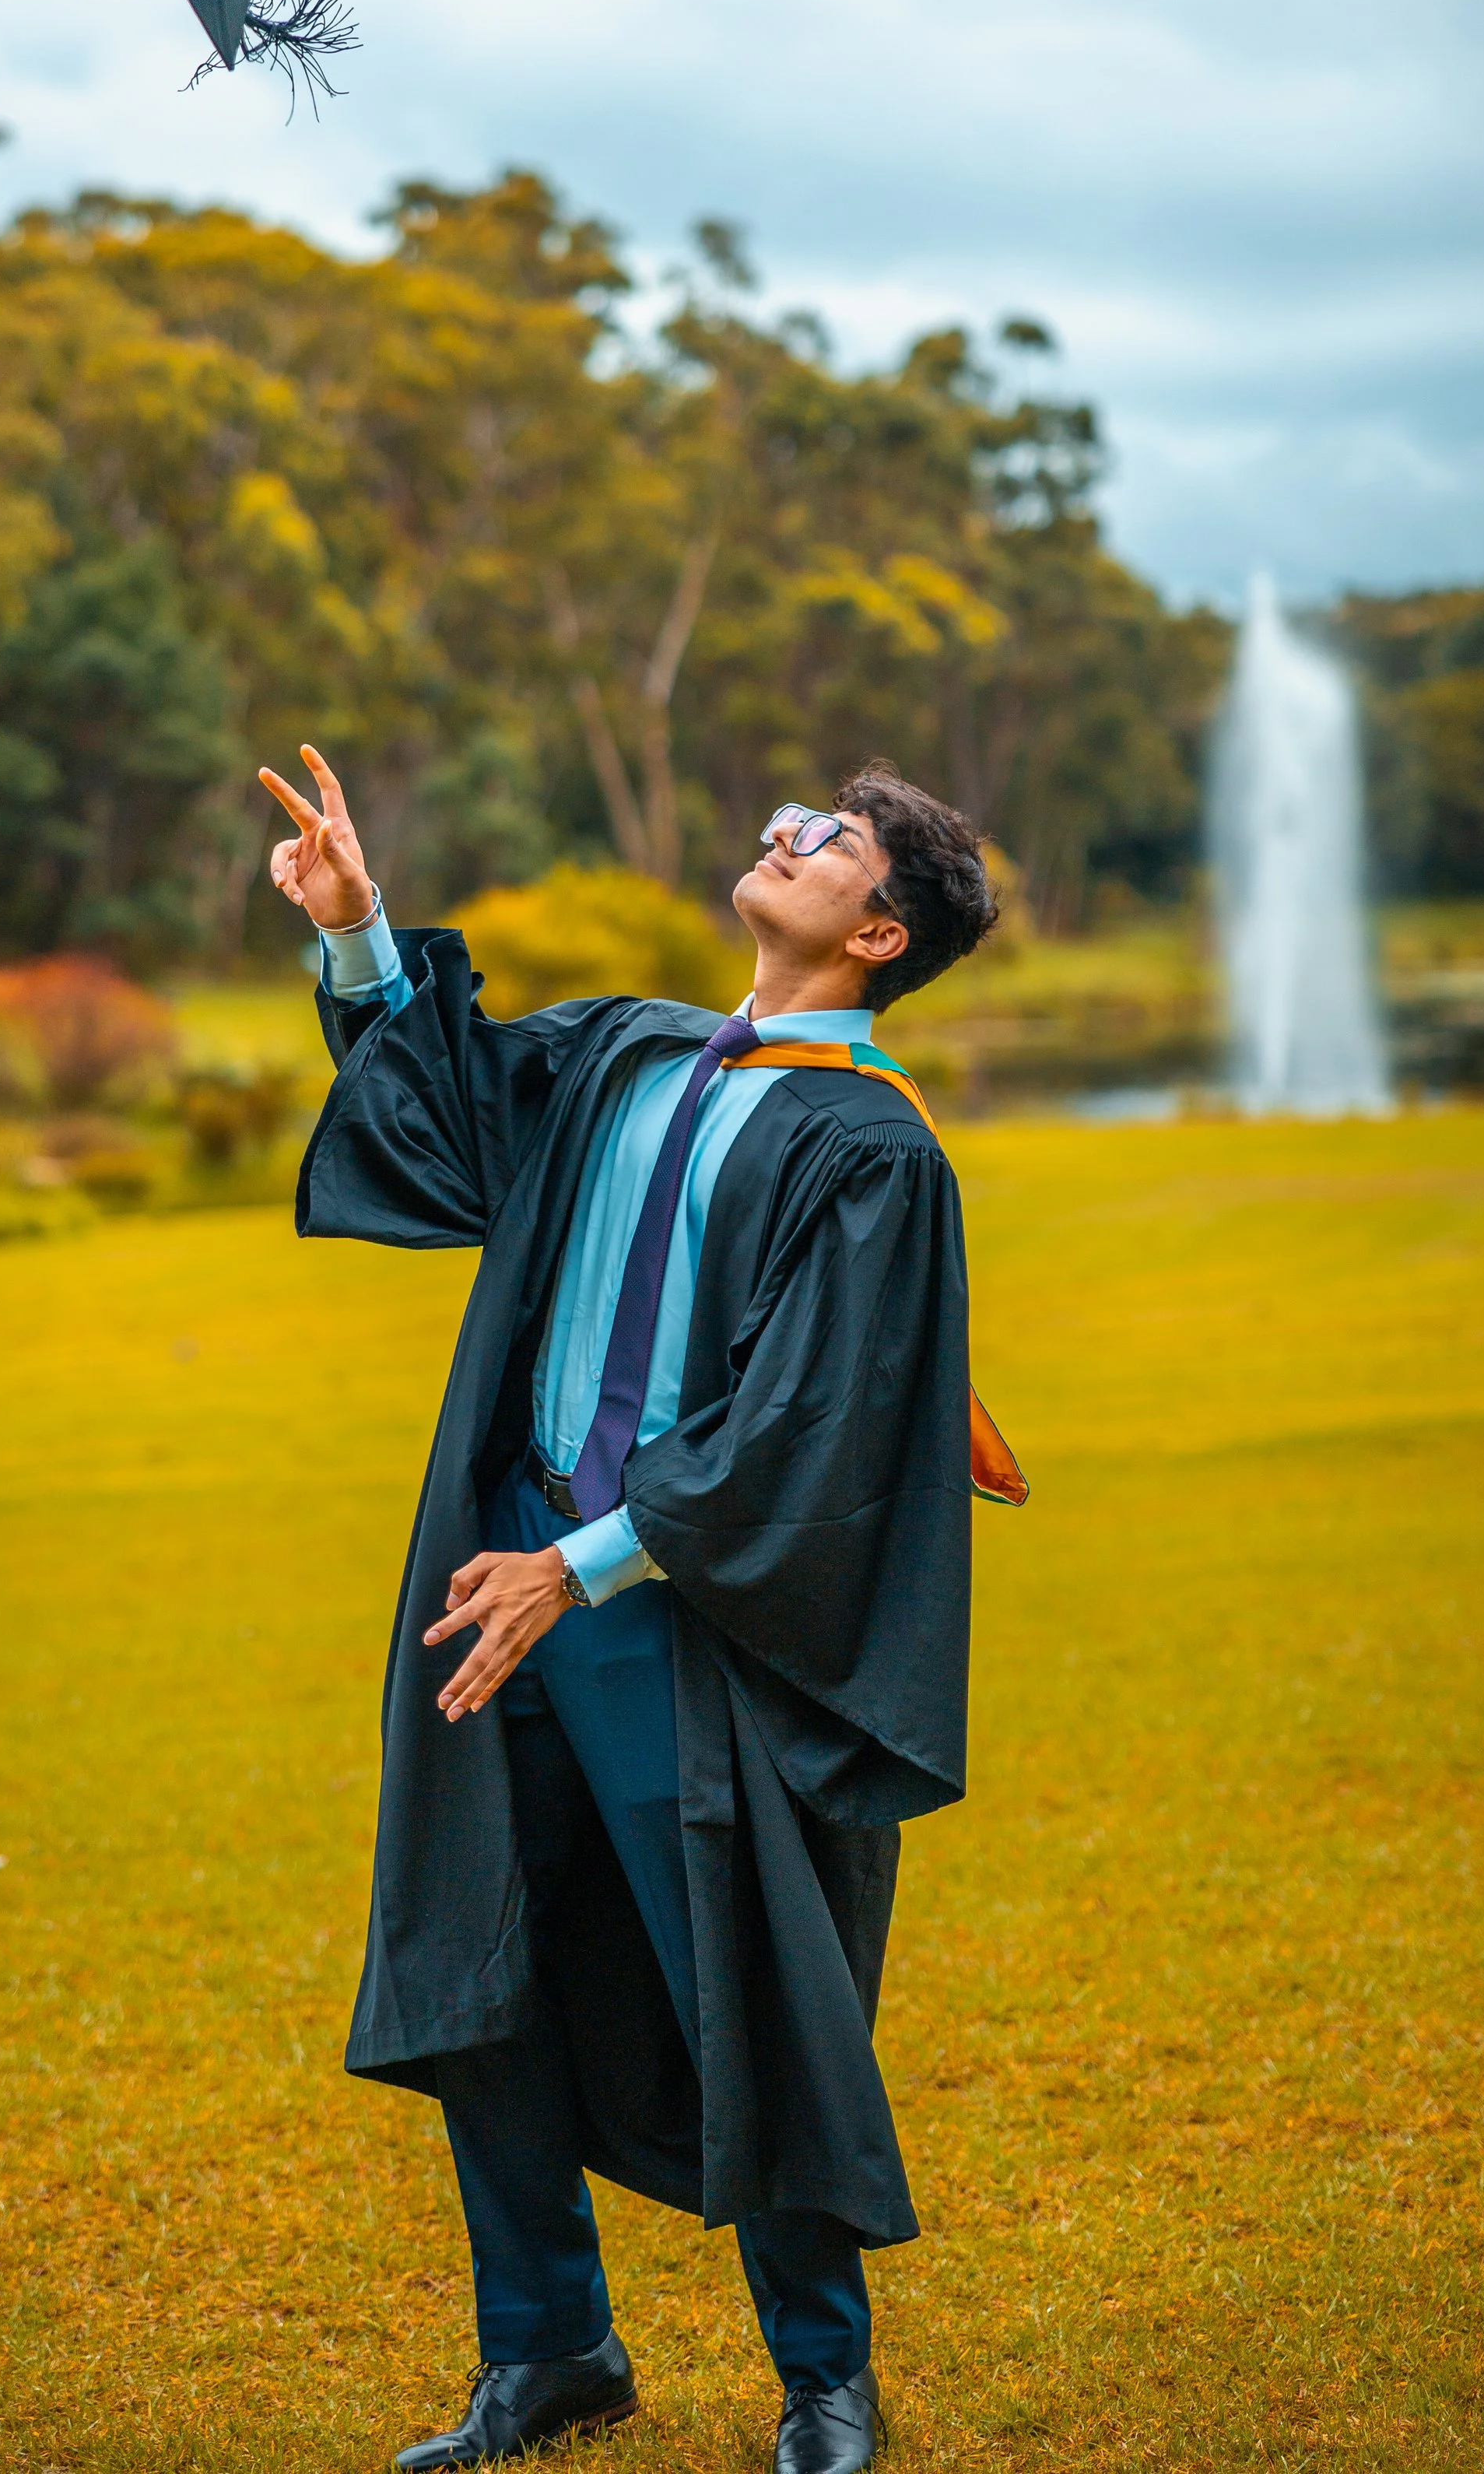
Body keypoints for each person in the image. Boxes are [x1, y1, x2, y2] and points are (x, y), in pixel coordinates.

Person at [258, 746, 1005, 2474]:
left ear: (879, 933)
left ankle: (824, 2381)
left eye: (831, 839)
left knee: (744, 1974)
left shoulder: (871, 1154)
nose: (787, 831)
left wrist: (579, 1567)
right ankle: (548, 2354)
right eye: (798, 814)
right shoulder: (632, 1054)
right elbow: (446, 1129)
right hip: (496, 1553)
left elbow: (805, 1426)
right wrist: (359, 933)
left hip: (675, 1610)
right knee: (480, 1958)